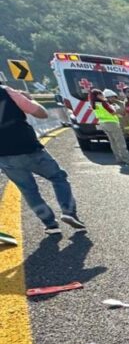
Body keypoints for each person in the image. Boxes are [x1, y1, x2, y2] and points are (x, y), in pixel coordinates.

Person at [0, 84, 86, 234]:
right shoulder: (6, 91)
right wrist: (29, 99)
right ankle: (68, 211)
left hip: (5, 155)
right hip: (29, 147)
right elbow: (41, 113)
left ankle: (50, 224)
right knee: (58, 177)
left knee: (28, 190)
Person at [90, 88, 129, 165]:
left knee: (113, 142)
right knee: (120, 141)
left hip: (103, 123)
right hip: (112, 123)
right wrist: (117, 111)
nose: (102, 95)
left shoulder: (94, 104)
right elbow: (112, 112)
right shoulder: (103, 103)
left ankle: (119, 159)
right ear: (97, 96)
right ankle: (128, 160)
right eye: (100, 94)